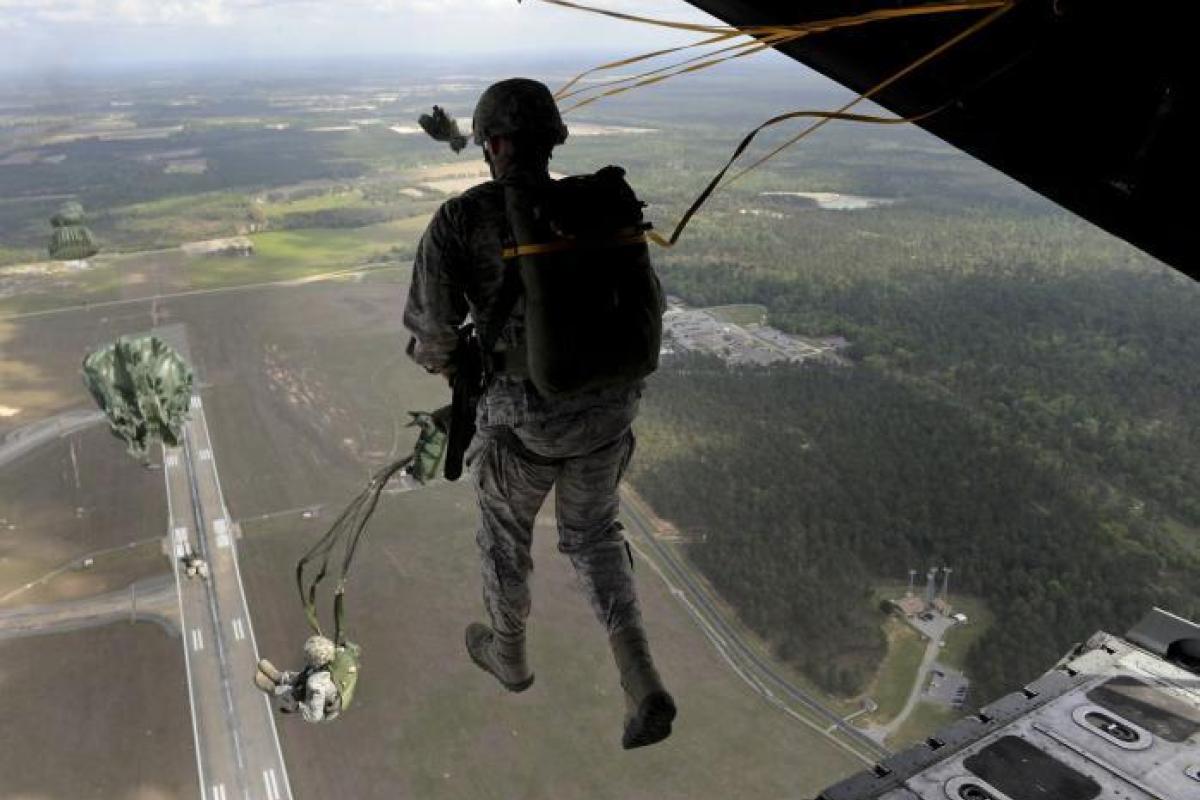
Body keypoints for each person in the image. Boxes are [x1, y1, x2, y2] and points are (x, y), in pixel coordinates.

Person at [402, 78, 676, 749]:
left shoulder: (461, 221)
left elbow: (433, 339)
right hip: (609, 414)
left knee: (504, 539)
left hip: (524, 426)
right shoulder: (595, 206)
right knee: (594, 537)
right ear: (553, 139)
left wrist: (460, 366)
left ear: (493, 144)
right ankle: (641, 679)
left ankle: (511, 656)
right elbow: (647, 307)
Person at [254, 635, 341, 723]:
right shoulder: (323, 665)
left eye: (308, 656)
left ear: (315, 661)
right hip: (313, 684)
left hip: (316, 702)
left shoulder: (315, 684)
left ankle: (272, 688)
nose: (304, 657)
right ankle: (278, 677)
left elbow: (315, 716)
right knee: (299, 676)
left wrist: (299, 706)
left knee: (287, 691)